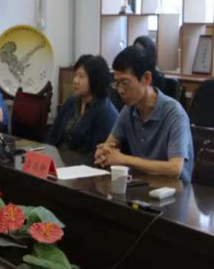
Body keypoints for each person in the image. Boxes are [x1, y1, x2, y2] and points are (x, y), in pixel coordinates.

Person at [95, 46, 194, 184]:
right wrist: (103, 153)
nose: (120, 90)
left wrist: (123, 159)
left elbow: (175, 168)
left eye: (125, 83)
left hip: (174, 190)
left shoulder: (174, 114)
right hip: (142, 185)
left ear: (146, 78)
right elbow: (109, 146)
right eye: (116, 84)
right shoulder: (129, 110)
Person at [48, 55, 118, 157]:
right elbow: (53, 134)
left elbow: (97, 152)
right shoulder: (71, 102)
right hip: (58, 158)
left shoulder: (105, 112)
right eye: (75, 75)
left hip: (82, 164)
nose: (75, 80)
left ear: (95, 79)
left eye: (81, 76)